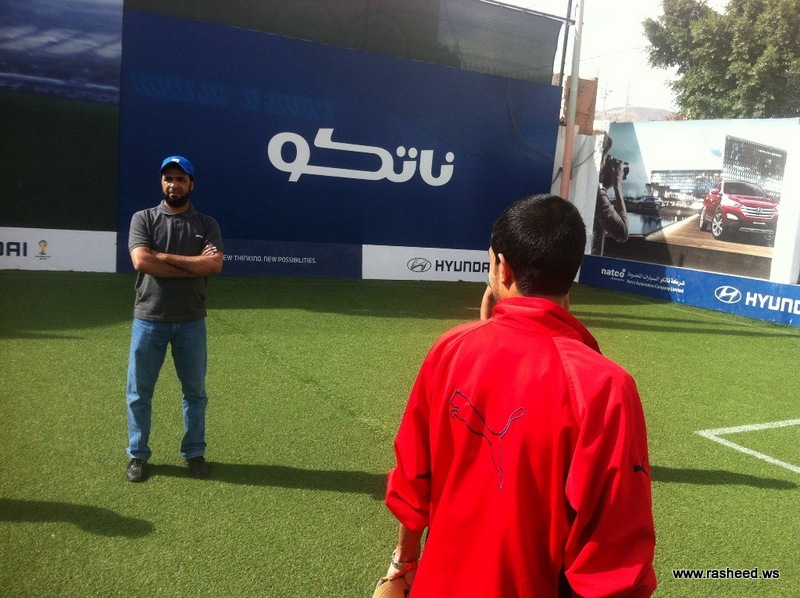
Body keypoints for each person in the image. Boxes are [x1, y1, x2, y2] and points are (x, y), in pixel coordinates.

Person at [380, 194, 656, 596]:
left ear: (502, 267)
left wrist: (404, 562)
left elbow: (413, 480)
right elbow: (615, 555)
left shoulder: (449, 349)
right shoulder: (606, 385)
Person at [125, 155, 224, 483]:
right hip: (149, 319)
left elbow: (213, 265)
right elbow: (141, 261)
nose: (174, 184)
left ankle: (194, 452)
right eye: (168, 178)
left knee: (195, 393)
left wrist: (163, 256)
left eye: (181, 179)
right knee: (139, 392)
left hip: (191, 321)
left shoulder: (207, 225)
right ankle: (138, 454)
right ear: (161, 183)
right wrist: (192, 265)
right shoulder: (143, 218)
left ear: (191, 184)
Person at [592, 153, 629, 255]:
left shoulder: (593, 188)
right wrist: (617, 184)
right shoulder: (596, 191)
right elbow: (623, 233)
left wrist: (607, 183)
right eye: (606, 158)